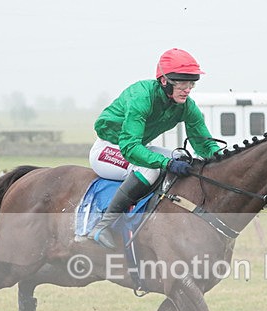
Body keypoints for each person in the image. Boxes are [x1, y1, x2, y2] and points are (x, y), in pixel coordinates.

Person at [86, 48, 221, 248]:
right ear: (165, 81)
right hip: (109, 149)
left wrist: (223, 158)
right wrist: (166, 163)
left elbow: (203, 143)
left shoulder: (186, 106)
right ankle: (102, 226)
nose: (187, 89)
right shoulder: (141, 96)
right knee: (151, 168)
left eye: (191, 83)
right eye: (182, 83)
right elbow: (130, 147)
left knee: (186, 161)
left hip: (137, 146)